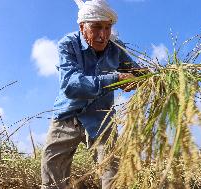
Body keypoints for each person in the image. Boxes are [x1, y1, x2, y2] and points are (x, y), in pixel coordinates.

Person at [41, 0, 139, 188]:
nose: (103, 35)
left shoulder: (115, 48)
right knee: (52, 174)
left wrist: (154, 76)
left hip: (101, 119)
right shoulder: (68, 45)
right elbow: (71, 85)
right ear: (82, 27)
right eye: (96, 27)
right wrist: (116, 79)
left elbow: (135, 71)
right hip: (67, 117)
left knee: (113, 175)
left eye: (107, 28)